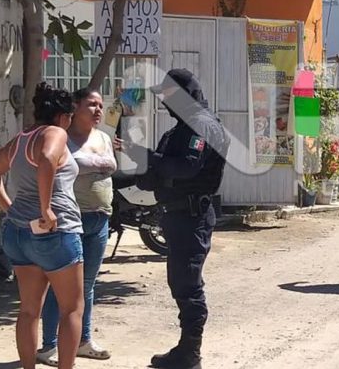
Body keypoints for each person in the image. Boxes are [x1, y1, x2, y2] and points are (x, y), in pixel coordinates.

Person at [118, 69, 230, 369]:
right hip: (175, 215)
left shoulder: (202, 126)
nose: (165, 102)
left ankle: (190, 353)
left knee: (188, 284)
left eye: (169, 95)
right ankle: (186, 349)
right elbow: (156, 172)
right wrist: (142, 162)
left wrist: (146, 158)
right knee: (180, 281)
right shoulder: (179, 130)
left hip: (192, 216)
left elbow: (185, 168)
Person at [0, 82, 84, 369]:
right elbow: (47, 158)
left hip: (18, 232)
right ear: (63, 116)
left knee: (28, 310)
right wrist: (46, 208)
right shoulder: (56, 133)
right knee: (72, 309)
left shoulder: (20, 140)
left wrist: (9, 209)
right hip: (55, 233)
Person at [38, 88, 116, 366]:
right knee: (59, 286)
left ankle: (83, 340)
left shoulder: (103, 138)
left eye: (100, 105)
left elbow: (110, 167)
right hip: (71, 220)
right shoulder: (61, 137)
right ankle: (49, 345)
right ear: (76, 107)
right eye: (91, 105)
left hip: (100, 218)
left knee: (88, 284)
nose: (98, 110)